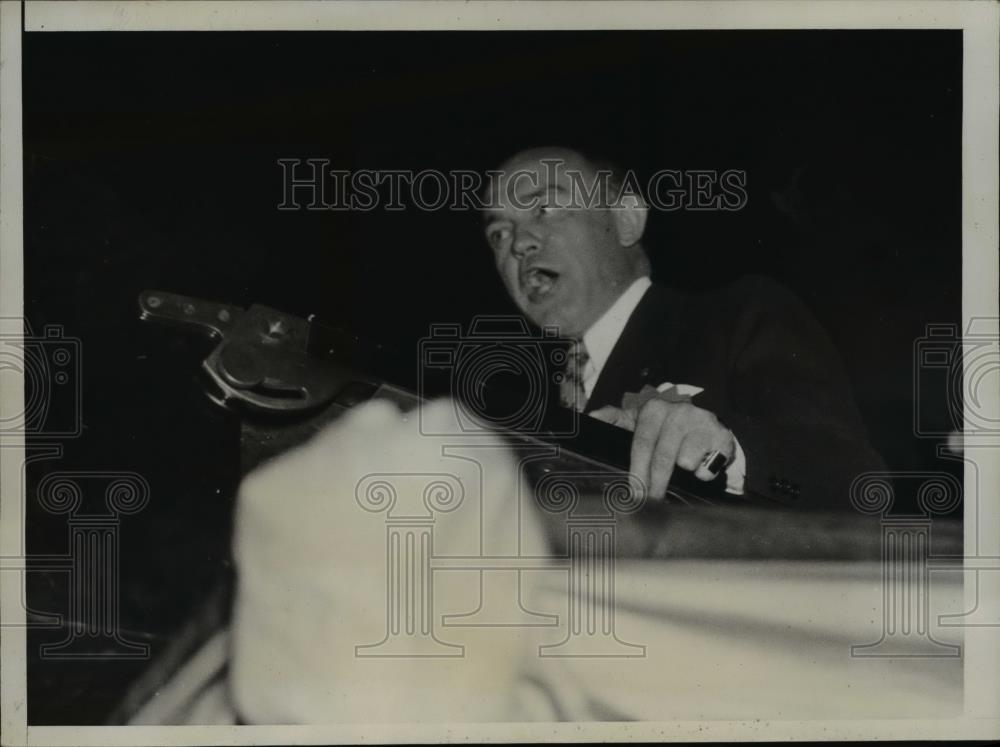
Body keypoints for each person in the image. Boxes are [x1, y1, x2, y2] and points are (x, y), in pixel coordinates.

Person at [481, 146, 885, 510]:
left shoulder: (736, 317)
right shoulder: (511, 400)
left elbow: (856, 482)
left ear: (626, 219)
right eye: (499, 233)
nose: (519, 243)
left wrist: (726, 451)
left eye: (546, 209)